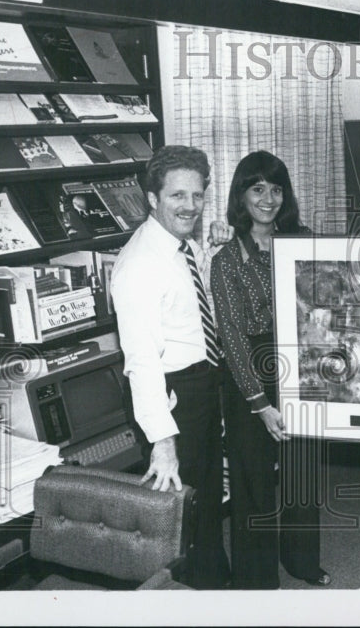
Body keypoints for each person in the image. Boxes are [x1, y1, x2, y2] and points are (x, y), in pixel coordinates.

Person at [109, 144, 232, 590]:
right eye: (178, 195)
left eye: (197, 196)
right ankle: (197, 596)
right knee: (182, 510)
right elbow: (141, 362)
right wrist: (163, 442)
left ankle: (214, 584)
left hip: (200, 385)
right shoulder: (138, 265)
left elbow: (189, 299)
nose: (190, 206)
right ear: (152, 198)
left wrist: (212, 252)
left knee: (204, 504)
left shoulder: (181, 246)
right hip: (170, 394)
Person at [209, 150, 332, 590]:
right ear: (241, 194)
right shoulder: (226, 258)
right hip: (250, 377)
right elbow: (233, 339)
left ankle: (302, 560)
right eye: (257, 188)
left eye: (276, 189)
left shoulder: (304, 241)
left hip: (301, 367)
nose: (268, 199)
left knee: (302, 471)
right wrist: (260, 405)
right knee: (253, 480)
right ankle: (256, 578)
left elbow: (328, 302)